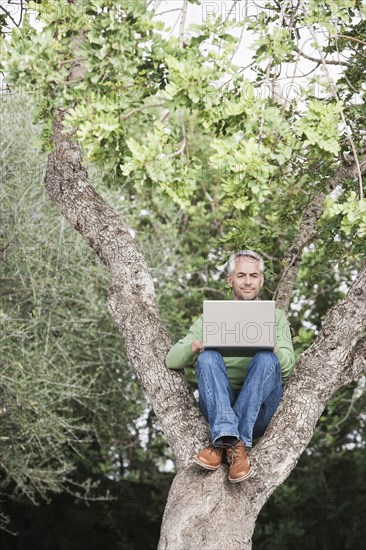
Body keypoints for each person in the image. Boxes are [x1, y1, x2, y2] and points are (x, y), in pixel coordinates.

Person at [165, 250, 296, 483]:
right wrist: (196, 345)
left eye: (254, 276)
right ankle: (235, 445)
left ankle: (224, 440)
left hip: (260, 411)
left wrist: (271, 346)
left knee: (267, 359)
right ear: (230, 280)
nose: (248, 282)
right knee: (207, 357)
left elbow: (286, 370)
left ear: (262, 280)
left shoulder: (275, 317)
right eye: (241, 275)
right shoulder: (212, 318)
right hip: (218, 404)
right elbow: (172, 360)